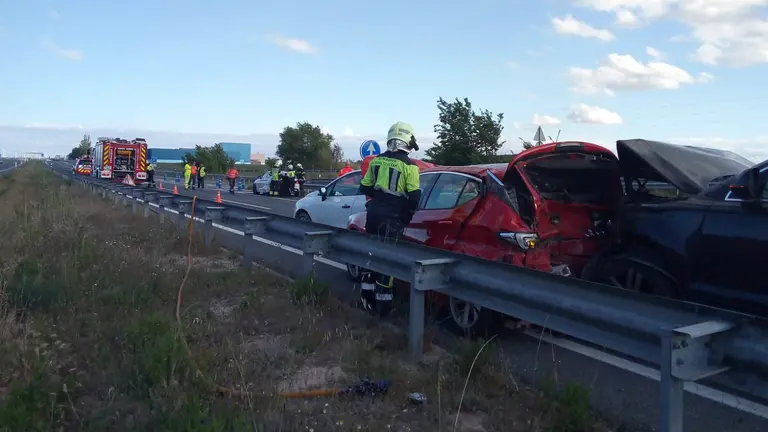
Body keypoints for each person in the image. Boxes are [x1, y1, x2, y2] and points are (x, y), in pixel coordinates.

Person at [358, 121, 421, 314]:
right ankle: (383, 306)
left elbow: (364, 187)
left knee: (371, 255)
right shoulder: (410, 166)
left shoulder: (376, 161)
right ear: (407, 140)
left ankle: (366, 298)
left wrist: (379, 197)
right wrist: (406, 215)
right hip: (393, 218)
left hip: (373, 215)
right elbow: (414, 197)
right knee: (388, 260)